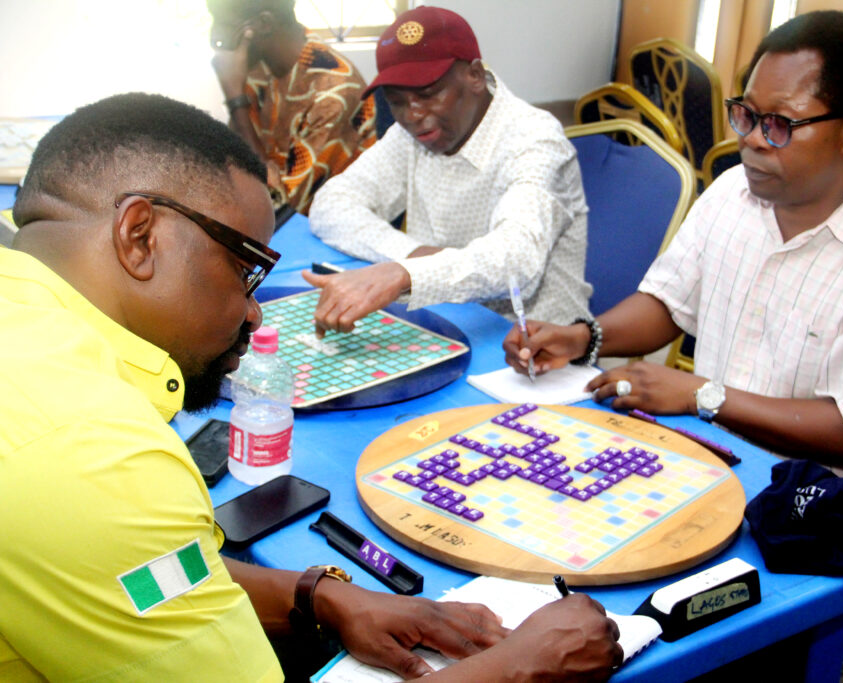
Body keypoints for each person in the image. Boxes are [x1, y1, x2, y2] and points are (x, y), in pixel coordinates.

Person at [0, 92, 622, 682]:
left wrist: (317, 595)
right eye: (246, 268)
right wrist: (519, 667)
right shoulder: (91, 453)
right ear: (140, 236)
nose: (256, 313)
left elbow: (138, 578)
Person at [505, 11, 843, 503]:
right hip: (708, 466)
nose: (753, 139)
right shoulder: (732, 192)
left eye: (780, 123)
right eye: (746, 114)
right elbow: (669, 304)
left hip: (823, 515)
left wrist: (703, 395)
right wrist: (583, 337)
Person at [304, 5, 591, 336]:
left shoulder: (536, 140)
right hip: (443, 322)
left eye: (428, 93)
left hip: (534, 344)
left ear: (475, 75)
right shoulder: (409, 134)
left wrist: (405, 274)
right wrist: (412, 256)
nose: (413, 114)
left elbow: (516, 260)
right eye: (396, 101)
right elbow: (331, 204)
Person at [208, 0, 376, 215]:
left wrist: (235, 100)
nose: (215, 36)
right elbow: (231, 164)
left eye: (225, 24)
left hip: (323, 227)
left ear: (264, 23)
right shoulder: (257, 66)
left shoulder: (334, 95)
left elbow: (278, 207)